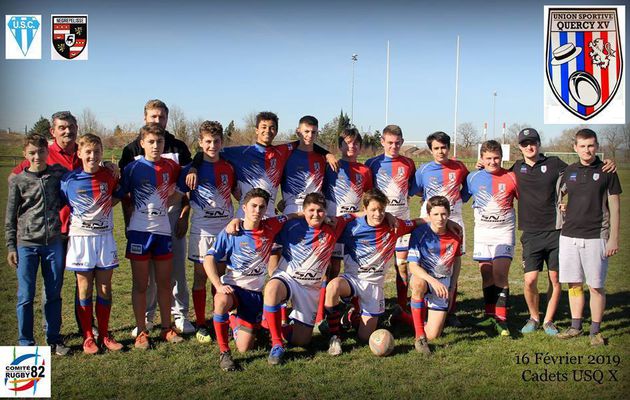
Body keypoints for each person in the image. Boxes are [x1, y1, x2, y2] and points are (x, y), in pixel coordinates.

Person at [119, 99, 194, 336]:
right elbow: (123, 193)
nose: (157, 121)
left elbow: (185, 186)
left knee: (174, 273)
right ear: (145, 120)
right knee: (144, 280)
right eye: (153, 117)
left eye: (161, 117)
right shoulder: (131, 154)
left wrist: (183, 216)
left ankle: (177, 319)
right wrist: (127, 223)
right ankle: (145, 321)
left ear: (167, 119)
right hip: (141, 224)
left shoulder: (177, 150)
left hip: (168, 220)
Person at [324, 188, 423, 356]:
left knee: (364, 337)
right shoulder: (350, 226)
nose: (378, 214)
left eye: (382, 210)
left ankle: (349, 318)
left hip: (374, 286)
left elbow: (416, 222)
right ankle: (335, 336)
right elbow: (328, 222)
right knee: (333, 286)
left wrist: (447, 222)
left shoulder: (394, 226)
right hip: (353, 279)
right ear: (365, 208)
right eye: (373, 210)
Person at [114, 123, 183, 349]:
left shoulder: (172, 166)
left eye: (159, 142)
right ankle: (142, 331)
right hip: (139, 233)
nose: (155, 146)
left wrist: (166, 202)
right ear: (142, 143)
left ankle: (166, 328)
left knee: (165, 283)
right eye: (151, 142)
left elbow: (181, 190)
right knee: (141, 284)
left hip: (162, 231)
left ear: (164, 143)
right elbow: (120, 194)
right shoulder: (132, 168)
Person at [205, 188, 290, 371]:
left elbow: (293, 216)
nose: (257, 211)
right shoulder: (231, 231)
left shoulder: (271, 225)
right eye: (253, 206)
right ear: (244, 207)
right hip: (233, 289)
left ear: (266, 209)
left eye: (261, 207)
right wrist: (218, 285)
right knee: (220, 300)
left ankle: (235, 319)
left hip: (255, 294)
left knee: (245, 348)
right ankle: (224, 353)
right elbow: (208, 259)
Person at [263, 193, 352, 365]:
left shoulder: (334, 225)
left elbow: (358, 214)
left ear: (326, 212)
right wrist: (235, 223)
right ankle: (276, 343)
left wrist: (387, 215)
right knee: (272, 288)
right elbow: (263, 226)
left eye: (320, 211)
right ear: (303, 211)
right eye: (311, 210)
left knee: (302, 341)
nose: (316, 214)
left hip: (310, 289)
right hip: (288, 278)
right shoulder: (292, 225)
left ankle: (270, 328)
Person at [5, 134, 70, 355]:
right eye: (32, 152)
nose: (37, 156)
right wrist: (11, 246)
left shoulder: (57, 175)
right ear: (25, 154)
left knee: (53, 293)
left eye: (41, 151)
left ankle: (54, 339)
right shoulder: (17, 180)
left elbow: (82, 175)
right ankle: (26, 344)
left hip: (53, 242)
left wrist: (107, 166)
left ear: (47, 152)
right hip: (26, 245)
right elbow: (10, 216)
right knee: (25, 296)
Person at [173, 121, 237, 343]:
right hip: (202, 231)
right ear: (200, 143)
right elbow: (178, 196)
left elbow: (237, 193)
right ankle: (201, 323)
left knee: (221, 277)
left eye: (216, 141)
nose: (212, 145)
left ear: (222, 142)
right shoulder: (191, 169)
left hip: (225, 231)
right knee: (201, 276)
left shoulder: (229, 167)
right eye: (207, 141)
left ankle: (219, 317)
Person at [557, 129, 621, 346]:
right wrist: (564, 205)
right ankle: (576, 326)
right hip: (569, 236)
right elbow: (564, 194)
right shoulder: (569, 171)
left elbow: (614, 206)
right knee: (574, 283)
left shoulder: (607, 171)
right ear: (575, 148)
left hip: (596, 236)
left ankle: (595, 331)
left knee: (595, 285)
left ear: (597, 146)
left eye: (591, 145)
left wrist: (613, 238)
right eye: (582, 146)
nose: (587, 150)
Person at [61, 133, 124, 353]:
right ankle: (88, 337)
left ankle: (105, 335)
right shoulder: (68, 180)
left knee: (105, 288)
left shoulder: (110, 175)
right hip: (81, 240)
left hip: (104, 239)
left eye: (97, 152)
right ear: (79, 153)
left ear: (102, 153)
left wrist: (105, 206)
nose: (92, 156)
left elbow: (120, 193)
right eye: (88, 152)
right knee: (84, 288)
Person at [316, 127, 373, 326]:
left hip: (351, 227)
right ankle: (321, 312)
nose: (352, 146)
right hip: (331, 224)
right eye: (347, 143)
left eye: (355, 143)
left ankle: (351, 309)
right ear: (340, 146)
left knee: (349, 267)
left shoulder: (365, 170)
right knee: (327, 267)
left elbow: (368, 198)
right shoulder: (331, 165)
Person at [411, 131, 469, 327]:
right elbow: (415, 189)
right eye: (436, 148)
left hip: (454, 219)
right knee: (426, 263)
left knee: (451, 266)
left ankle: (450, 311)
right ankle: (423, 308)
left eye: (444, 147)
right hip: (430, 220)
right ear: (430, 150)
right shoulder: (424, 170)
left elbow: (467, 190)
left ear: (449, 147)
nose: (440, 151)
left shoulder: (460, 167)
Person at [466, 140, 518, 336]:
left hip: (504, 232)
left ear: (501, 158)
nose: (493, 162)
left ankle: (501, 318)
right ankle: (489, 314)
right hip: (482, 233)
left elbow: (528, 200)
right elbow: (460, 197)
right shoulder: (473, 178)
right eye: (488, 158)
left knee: (500, 274)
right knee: (486, 274)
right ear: (481, 158)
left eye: (496, 158)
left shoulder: (512, 177)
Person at [365, 125, 416, 314]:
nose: (393, 146)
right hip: (379, 223)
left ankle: (402, 307)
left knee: (402, 267)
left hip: (401, 223)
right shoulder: (372, 163)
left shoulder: (409, 163)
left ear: (402, 141)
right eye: (390, 143)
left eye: (397, 143)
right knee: (374, 268)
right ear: (382, 142)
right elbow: (368, 193)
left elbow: (411, 188)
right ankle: (369, 305)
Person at [407, 196, 463, 354]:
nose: (441, 218)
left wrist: (451, 287)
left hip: (442, 284)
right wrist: (432, 281)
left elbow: (457, 261)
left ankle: (401, 317)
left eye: (444, 214)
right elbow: (412, 266)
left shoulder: (456, 234)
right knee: (418, 284)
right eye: (436, 214)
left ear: (449, 214)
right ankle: (419, 337)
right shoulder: (419, 233)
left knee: (434, 335)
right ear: (429, 215)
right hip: (425, 278)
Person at [280, 115, 326, 214]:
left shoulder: (323, 158)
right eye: (306, 131)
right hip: (293, 208)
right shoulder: (286, 155)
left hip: (315, 208)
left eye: (313, 132)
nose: (310, 135)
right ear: (298, 131)